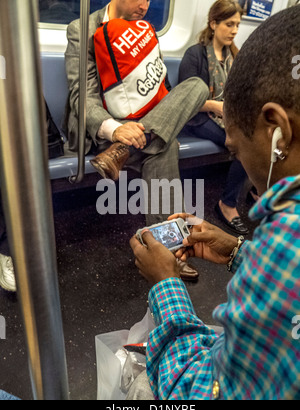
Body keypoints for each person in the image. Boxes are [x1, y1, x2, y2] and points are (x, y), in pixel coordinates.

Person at [130, 5, 300, 400]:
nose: (239, 159)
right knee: (164, 144)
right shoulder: (195, 55)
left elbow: (200, 391)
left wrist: (165, 285)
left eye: (237, 150)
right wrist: (240, 250)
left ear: (278, 132)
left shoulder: (286, 242)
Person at [64, 0, 210, 281]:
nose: (146, 6)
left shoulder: (145, 30)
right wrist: (115, 130)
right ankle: (169, 253)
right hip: (102, 133)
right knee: (162, 147)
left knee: (197, 86)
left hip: (138, 128)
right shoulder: (82, 29)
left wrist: (138, 130)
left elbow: (159, 88)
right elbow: (83, 96)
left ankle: (130, 146)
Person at [179, 0, 249, 235]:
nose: (235, 31)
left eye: (237, 25)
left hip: (226, 115)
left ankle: (255, 189)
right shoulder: (195, 54)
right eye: (229, 24)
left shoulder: (235, 57)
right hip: (198, 118)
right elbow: (184, 99)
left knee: (258, 136)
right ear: (213, 23)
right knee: (244, 145)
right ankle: (227, 205)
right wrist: (218, 107)